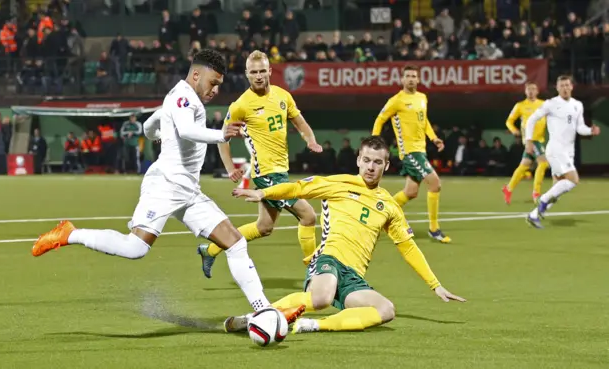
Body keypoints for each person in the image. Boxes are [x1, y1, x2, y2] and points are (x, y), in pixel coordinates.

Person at [31, 49, 305, 322]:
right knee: (135, 248)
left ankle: (264, 310)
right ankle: (69, 233)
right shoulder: (184, 97)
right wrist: (219, 133)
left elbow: (148, 127)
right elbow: (186, 130)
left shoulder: (178, 98)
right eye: (213, 83)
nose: (215, 90)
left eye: (219, 85)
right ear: (196, 74)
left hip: (187, 190)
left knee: (234, 242)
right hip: (165, 185)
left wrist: (160, 132)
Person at [224, 136, 465, 334]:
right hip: (328, 259)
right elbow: (299, 188)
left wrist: (435, 285)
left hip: (353, 277)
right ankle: (254, 318)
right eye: (367, 160)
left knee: (386, 310)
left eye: (378, 162)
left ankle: (310, 325)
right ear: (358, 160)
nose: (371, 167)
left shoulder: (390, 206)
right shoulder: (339, 184)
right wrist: (264, 193)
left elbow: (407, 247)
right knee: (321, 299)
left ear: (387, 166)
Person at [197, 50, 322, 278]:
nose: (258, 76)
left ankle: (211, 249)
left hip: (279, 171)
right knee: (309, 216)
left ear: (270, 71)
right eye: (253, 72)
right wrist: (229, 168)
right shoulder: (241, 105)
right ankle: (313, 269)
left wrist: (311, 139)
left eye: (262, 71)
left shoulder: (283, 96)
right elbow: (223, 137)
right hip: (267, 174)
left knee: (264, 227)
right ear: (246, 74)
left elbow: (299, 121)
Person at [371, 65, 450, 243]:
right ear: (402, 80)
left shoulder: (422, 98)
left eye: (414, 76)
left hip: (420, 149)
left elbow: (424, 121)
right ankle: (434, 229)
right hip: (409, 151)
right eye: (408, 76)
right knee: (435, 183)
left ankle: (379, 213)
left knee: (411, 191)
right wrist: (374, 142)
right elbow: (380, 118)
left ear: (418, 79)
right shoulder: (396, 100)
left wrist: (434, 138)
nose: (411, 79)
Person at [525, 75, 601, 228]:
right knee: (573, 180)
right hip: (555, 149)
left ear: (572, 86)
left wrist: (590, 130)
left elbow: (579, 128)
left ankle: (534, 215)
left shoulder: (577, 105)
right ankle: (543, 200)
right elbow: (532, 119)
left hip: (568, 151)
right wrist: (529, 141)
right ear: (557, 88)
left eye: (567, 85)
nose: (565, 88)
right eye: (562, 86)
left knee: (558, 189)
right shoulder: (551, 104)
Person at [502, 82, 549, 204]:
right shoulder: (520, 106)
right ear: (525, 91)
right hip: (531, 140)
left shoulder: (543, 104)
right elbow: (509, 121)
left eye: (533, 89)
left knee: (525, 165)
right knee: (543, 163)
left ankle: (508, 188)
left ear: (537, 91)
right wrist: (514, 130)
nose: (531, 91)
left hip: (540, 139)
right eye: (529, 89)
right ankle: (536, 193)